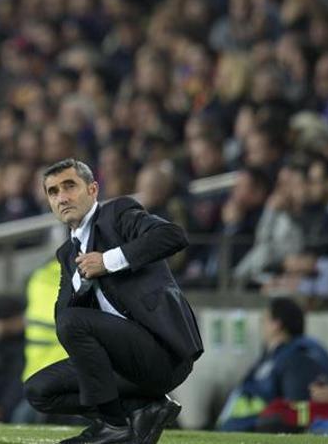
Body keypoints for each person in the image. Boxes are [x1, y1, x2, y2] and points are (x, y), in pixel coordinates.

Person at [24, 159, 202, 444]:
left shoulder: (118, 214)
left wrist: (107, 261)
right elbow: (62, 318)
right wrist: (80, 282)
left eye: (70, 186)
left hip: (163, 354)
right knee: (39, 390)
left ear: (93, 190)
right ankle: (143, 409)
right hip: (119, 365)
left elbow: (172, 236)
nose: (62, 197)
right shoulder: (67, 254)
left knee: (74, 322)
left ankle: (113, 425)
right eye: (53, 192)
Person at [217, 297, 328, 433]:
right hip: (244, 426)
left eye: (265, 319)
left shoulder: (297, 358)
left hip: (261, 428)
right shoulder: (271, 355)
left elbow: (294, 412)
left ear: (276, 324)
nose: (261, 324)